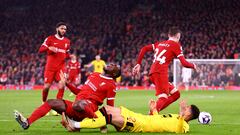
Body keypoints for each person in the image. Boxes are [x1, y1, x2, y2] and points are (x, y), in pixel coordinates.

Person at [14, 64, 121, 130]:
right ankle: (27, 122)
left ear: (114, 73)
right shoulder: (94, 75)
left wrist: (104, 121)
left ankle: (96, 121)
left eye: (113, 65)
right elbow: (79, 91)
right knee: (51, 102)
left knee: (79, 104)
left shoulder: (111, 85)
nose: (110, 64)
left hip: (88, 108)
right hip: (76, 105)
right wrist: (67, 83)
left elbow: (110, 106)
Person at [132, 26, 198, 113]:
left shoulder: (160, 43)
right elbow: (184, 63)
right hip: (160, 72)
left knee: (176, 94)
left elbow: (144, 48)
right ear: (178, 36)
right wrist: (193, 66)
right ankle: (152, 115)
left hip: (153, 72)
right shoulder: (176, 45)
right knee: (163, 97)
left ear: (168, 35)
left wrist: (138, 63)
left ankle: (154, 110)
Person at [61, 99, 200, 133]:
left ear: (189, 114)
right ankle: (80, 123)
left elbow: (180, 131)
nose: (184, 108)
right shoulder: (176, 116)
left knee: (110, 118)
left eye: (187, 108)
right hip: (140, 117)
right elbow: (159, 120)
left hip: (140, 125)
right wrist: (153, 110)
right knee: (107, 109)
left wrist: (181, 117)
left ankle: (75, 125)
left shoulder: (184, 126)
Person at [38, 22, 71, 104]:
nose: (63, 30)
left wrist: (71, 57)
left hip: (61, 67)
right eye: (62, 28)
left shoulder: (67, 41)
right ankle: (44, 102)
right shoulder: (50, 39)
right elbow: (40, 50)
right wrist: (49, 48)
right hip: (50, 68)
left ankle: (58, 104)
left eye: (65, 29)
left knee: (62, 84)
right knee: (46, 87)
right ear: (57, 29)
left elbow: (66, 54)